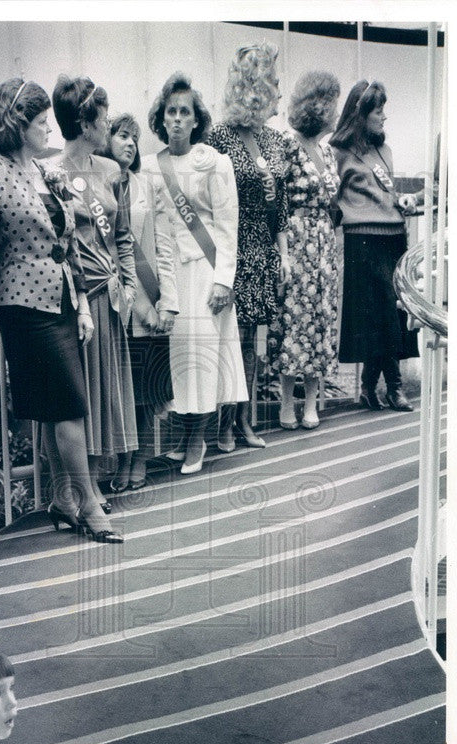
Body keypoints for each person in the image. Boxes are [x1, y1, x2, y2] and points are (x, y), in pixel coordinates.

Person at [0, 78, 122, 544]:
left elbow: (66, 244)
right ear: (18, 125)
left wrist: (83, 308)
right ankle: (90, 503)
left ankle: (63, 500)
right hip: (23, 306)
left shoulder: (45, 172)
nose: (50, 130)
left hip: (61, 301)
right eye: (40, 123)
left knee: (59, 409)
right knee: (71, 407)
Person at [142, 73, 247, 475]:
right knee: (177, 359)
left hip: (205, 272)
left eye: (185, 112)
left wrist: (225, 280)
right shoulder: (151, 166)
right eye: (171, 111)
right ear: (161, 117)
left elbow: (227, 224)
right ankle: (186, 436)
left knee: (202, 358)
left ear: (196, 119)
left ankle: (198, 441)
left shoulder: (214, 163)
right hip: (170, 276)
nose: (178, 119)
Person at [49, 76, 139, 508]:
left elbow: (122, 236)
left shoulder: (111, 171)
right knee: (76, 393)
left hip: (110, 298)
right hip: (74, 302)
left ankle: (94, 481)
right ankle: (76, 488)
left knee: (105, 392)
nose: (108, 125)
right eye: (103, 118)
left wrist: (128, 282)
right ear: (86, 124)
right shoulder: (50, 173)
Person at [208, 42, 291, 450]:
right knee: (231, 340)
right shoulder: (219, 136)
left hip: (262, 249)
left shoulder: (274, 140)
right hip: (231, 251)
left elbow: (283, 203)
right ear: (255, 87)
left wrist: (283, 253)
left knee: (253, 341)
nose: (279, 89)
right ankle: (222, 423)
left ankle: (246, 419)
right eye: (274, 81)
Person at [329, 80, 419, 411]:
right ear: (361, 114)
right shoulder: (338, 153)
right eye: (378, 110)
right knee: (376, 316)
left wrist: (405, 200)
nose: (384, 117)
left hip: (393, 235)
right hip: (361, 239)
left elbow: (386, 193)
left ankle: (371, 385)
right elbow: (331, 201)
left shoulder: (385, 150)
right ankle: (392, 387)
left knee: (392, 313)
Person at [105, 113, 178, 491]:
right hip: (118, 304)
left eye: (134, 138)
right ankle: (123, 458)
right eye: (122, 136)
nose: (131, 143)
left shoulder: (147, 185)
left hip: (151, 296)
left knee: (147, 389)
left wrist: (167, 301)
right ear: (107, 140)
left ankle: (139, 459)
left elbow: (164, 246)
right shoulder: (100, 184)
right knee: (124, 388)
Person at [267, 70, 341, 430]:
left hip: (324, 243)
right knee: (292, 321)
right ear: (320, 105)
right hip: (296, 238)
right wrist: (281, 251)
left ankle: (311, 402)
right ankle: (286, 401)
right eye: (333, 103)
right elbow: (278, 201)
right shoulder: (287, 143)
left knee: (319, 322)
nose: (337, 111)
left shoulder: (328, 150)